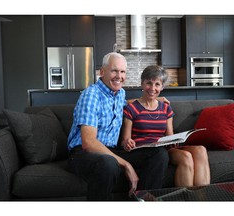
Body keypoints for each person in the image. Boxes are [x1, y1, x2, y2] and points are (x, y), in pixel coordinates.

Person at [67, 52, 169, 201]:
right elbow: (88, 143)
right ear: (102, 72)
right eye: (114, 70)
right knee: (108, 163)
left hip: (111, 151)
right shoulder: (91, 95)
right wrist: (126, 165)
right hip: (83, 154)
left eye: (122, 72)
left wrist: (153, 98)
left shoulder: (119, 93)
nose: (119, 76)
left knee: (158, 153)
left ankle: (142, 202)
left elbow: (127, 104)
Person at [121, 65, 210, 187]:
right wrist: (127, 142)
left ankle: (201, 199)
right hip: (145, 151)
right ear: (142, 84)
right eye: (149, 83)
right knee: (186, 157)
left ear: (162, 87)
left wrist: (175, 140)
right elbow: (125, 140)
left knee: (200, 149)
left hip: (163, 148)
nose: (152, 88)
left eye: (157, 84)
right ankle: (184, 199)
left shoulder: (166, 108)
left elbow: (170, 135)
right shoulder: (131, 108)